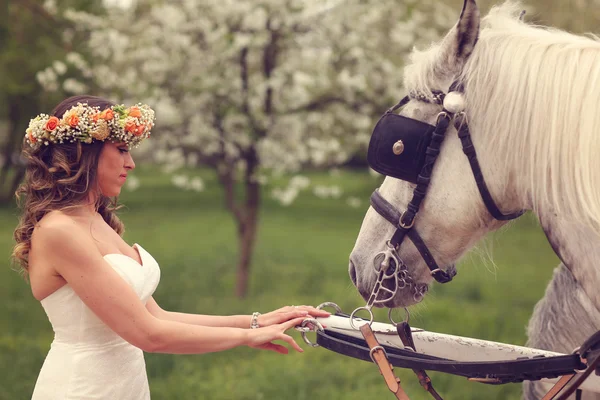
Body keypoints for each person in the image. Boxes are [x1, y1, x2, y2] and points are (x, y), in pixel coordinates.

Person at [12, 95, 330, 399]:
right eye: (121, 149)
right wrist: (247, 337)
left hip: (123, 385)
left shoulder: (96, 220)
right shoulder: (59, 231)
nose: (131, 163)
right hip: (83, 387)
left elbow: (157, 316)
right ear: (83, 152)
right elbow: (148, 334)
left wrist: (256, 320)